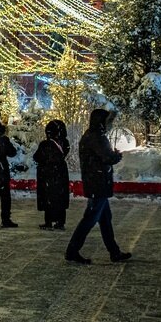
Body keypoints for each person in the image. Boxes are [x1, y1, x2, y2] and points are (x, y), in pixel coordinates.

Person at [65, 109, 132, 264]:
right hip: (98, 184)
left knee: (105, 219)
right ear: (101, 121)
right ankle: (72, 251)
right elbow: (107, 157)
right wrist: (117, 155)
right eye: (107, 121)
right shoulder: (97, 137)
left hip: (96, 183)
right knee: (90, 219)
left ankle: (114, 252)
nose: (109, 124)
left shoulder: (91, 135)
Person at [33, 119, 71, 230]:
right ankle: (60, 222)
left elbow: (37, 157)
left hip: (47, 174)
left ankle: (48, 221)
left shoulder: (45, 145)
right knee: (59, 197)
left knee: (48, 197)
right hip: (60, 173)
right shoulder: (65, 143)